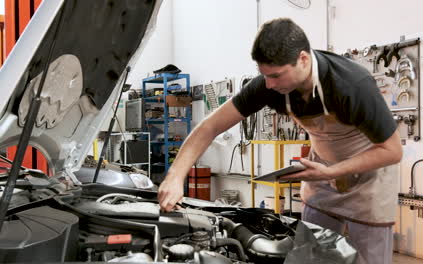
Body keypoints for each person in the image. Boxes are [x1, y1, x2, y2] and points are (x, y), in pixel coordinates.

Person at [158, 18, 402, 264]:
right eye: (264, 75)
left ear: (303, 59)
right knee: (309, 257)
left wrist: (333, 171)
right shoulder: (269, 86)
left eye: (276, 75)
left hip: (370, 179)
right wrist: (176, 176)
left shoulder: (352, 84)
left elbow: (392, 150)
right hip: (321, 173)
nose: (269, 84)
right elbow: (210, 126)